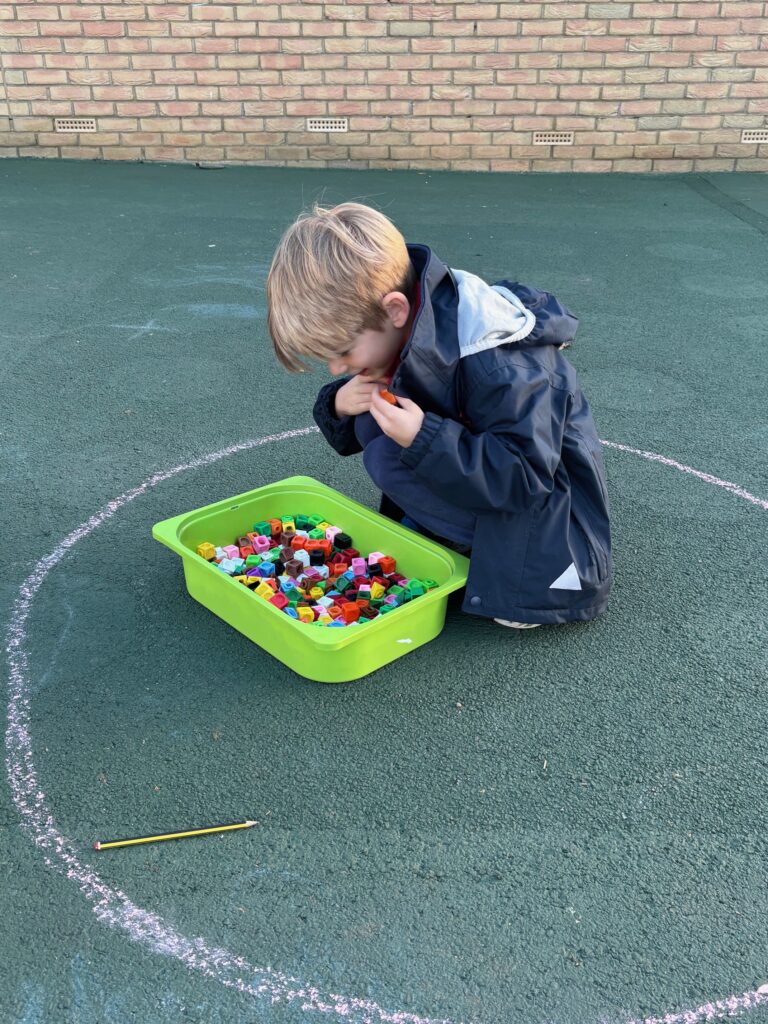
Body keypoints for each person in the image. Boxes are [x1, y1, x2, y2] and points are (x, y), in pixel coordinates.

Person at [266, 202, 611, 628]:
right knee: (374, 426)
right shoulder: (413, 321)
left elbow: (525, 478)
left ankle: (501, 565)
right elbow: (372, 413)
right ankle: (452, 534)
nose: (338, 368)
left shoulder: (501, 365)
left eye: (342, 352)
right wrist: (340, 403)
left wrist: (424, 436)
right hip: (488, 467)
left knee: (393, 442)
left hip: (552, 529)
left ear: (394, 310)